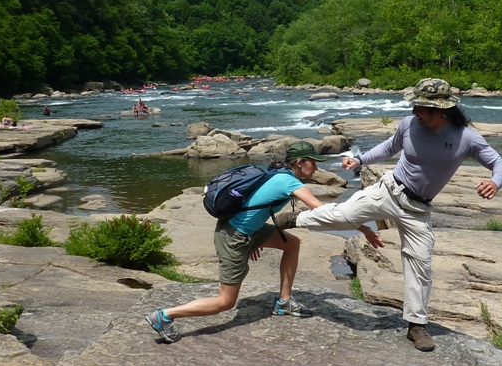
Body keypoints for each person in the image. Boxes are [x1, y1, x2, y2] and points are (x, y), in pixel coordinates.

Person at [277, 78, 502, 352]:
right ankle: (295, 219)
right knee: (342, 216)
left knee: (420, 264)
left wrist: (495, 181)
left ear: (440, 110)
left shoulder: (466, 137)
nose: (414, 111)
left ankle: (416, 325)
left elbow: (498, 162)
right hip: (388, 191)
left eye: (420, 106)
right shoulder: (409, 125)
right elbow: (389, 148)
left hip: (418, 210)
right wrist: (360, 160)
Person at [145, 140, 382, 343]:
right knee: (225, 302)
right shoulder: (289, 182)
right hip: (234, 237)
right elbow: (326, 212)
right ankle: (165, 315)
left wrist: (256, 238)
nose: (316, 167)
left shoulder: (280, 174)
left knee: (292, 244)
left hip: (247, 230)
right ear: (299, 163)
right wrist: (362, 228)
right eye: (313, 162)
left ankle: (284, 301)